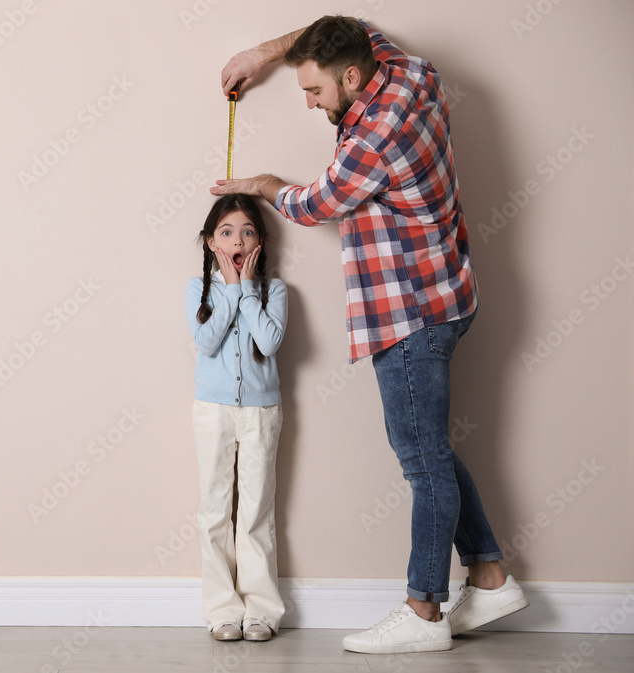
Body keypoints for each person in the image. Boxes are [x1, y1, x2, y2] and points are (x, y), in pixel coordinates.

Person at [211, 15, 528, 654]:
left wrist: (259, 184)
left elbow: (312, 203)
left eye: (315, 93)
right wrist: (267, 53)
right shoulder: (409, 74)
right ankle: (489, 575)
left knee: (421, 460)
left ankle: (425, 609)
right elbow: (347, 24)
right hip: (447, 291)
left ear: (352, 78)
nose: (308, 103)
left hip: (409, 311)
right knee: (430, 451)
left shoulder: (372, 141)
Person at [186, 194, 288, 642]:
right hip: (213, 410)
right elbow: (206, 343)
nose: (237, 239)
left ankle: (262, 611)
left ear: (260, 243)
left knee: (255, 511)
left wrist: (245, 289)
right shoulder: (198, 289)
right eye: (226, 232)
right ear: (212, 242)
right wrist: (228, 289)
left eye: (247, 231)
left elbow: (268, 343)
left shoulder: (275, 291)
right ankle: (222, 611)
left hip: (262, 412)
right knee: (214, 510)